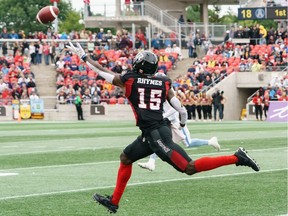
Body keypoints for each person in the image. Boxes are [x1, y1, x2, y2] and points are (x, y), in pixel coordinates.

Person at [67, 42, 260, 214]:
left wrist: (84, 57)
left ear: (140, 67)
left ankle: (237, 158)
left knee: (189, 168)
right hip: (156, 129)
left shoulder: (130, 80)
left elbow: (103, 72)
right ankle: (114, 202)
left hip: (156, 134)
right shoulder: (163, 82)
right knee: (126, 158)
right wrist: (182, 124)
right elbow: (181, 110)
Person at [138, 86, 221, 171]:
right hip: (169, 123)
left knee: (188, 143)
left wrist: (162, 117)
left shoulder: (169, 97)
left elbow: (174, 109)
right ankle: (151, 162)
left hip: (178, 123)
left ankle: (210, 142)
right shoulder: (161, 96)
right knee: (161, 142)